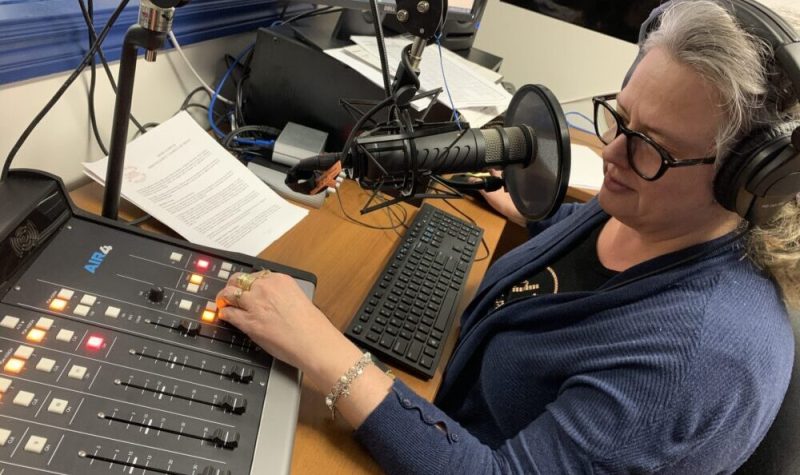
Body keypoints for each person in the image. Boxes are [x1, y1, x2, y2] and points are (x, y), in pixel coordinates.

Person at [217, 0, 800, 472]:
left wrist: (324, 352)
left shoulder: (695, 360)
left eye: (651, 143)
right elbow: (580, 264)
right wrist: (523, 206)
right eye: (620, 117)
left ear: (744, 180)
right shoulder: (653, 211)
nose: (612, 154)